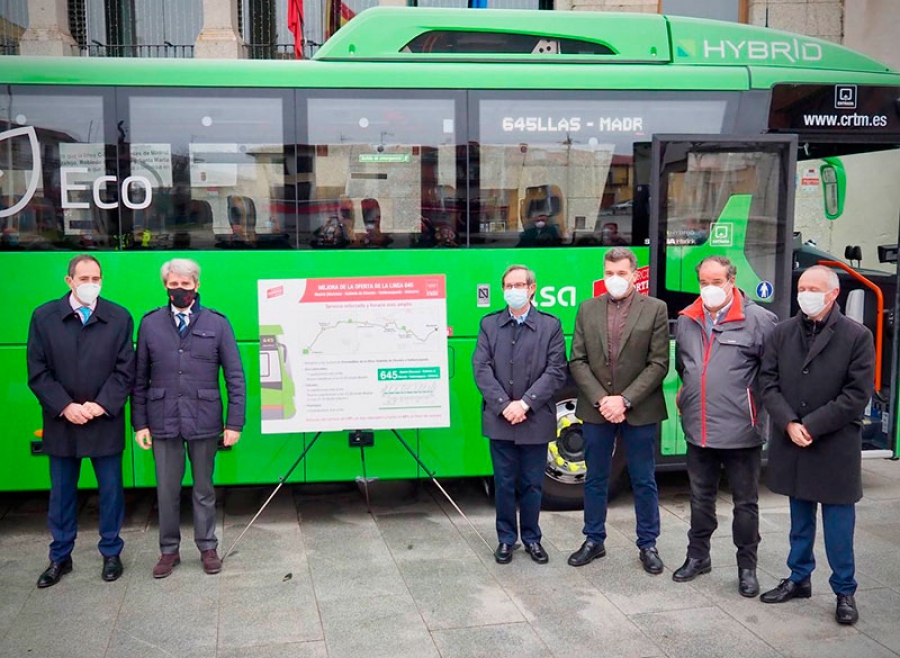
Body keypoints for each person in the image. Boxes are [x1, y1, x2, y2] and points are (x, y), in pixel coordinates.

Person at [758, 265, 874, 625]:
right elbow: (768, 382)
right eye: (801, 287)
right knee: (799, 519)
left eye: (813, 288)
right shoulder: (783, 332)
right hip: (792, 439)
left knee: (839, 524)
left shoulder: (857, 336)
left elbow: (856, 395)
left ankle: (844, 590)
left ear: (833, 294)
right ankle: (798, 577)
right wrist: (789, 423)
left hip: (834, 443)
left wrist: (810, 425)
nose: (805, 293)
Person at [26, 254, 135, 587]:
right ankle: (60, 556)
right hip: (62, 423)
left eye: (97, 278)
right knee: (61, 494)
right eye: (84, 279)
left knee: (111, 491)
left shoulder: (118, 317)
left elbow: (125, 370)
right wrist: (65, 406)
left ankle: (111, 552)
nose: (92, 285)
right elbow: (37, 371)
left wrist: (101, 405)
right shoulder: (44, 317)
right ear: (69, 281)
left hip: (103, 420)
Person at [133, 258, 246, 578]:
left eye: (185, 284)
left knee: (203, 488)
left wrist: (235, 423)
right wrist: (140, 423)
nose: (179, 290)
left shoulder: (218, 323)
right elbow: (139, 379)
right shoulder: (150, 323)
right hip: (162, 418)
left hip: (204, 418)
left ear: (197, 285)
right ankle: (169, 551)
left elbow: (235, 376)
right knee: (166, 490)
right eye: (173, 284)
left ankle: (207, 546)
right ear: (165, 286)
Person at [672, 255, 776, 597]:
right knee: (700, 499)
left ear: (732, 281)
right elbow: (683, 368)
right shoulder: (687, 320)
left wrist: (756, 410)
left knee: (745, 503)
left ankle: (747, 567)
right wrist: (687, 396)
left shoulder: (759, 320)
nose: (710, 289)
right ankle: (697, 557)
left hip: (741, 431)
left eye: (717, 282)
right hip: (698, 428)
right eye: (704, 282)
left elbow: (771, 375)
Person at [567, 247, 669, 573]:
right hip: (598, 410)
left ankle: (648, 544)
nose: (614, 279)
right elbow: (578, 361)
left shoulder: (655, 309)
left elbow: (658, 363)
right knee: (595, 477)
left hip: (639, 409)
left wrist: (624, 400)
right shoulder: (587, 309)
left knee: (643, 478)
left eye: (621, 273)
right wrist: (602, 400)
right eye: (609, 273)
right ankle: (593, 539)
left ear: (635, 275)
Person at [473, 264, 567, 564]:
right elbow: (481, 368)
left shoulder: (550, 326)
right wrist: (504, 404)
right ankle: (506, 539)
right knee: (503, 483)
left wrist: (525, 403)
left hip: (535, 419)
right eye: (508, 286)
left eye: (519, 285)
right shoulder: (489, 325)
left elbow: (556, 371)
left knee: (532, 483)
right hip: (500, 420)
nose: (513, 291)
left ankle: (532, 538)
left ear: (532, 288)